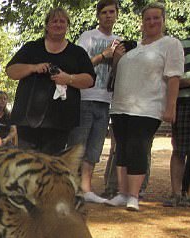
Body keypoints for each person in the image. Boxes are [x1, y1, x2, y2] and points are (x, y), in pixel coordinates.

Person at [106, 2, 184, 211]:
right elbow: (117, 73)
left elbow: (174, 77)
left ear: (163, 20)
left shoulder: (170, 44)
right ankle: (122, 193)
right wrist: (117, 59)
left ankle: (133, 195)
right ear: (142, 22)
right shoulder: (134, 48)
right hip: (121, 106)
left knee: (137, 148)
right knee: (120, 150)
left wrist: (171, 107)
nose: (151, 22)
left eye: (156, 18)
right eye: (147, 18)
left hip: (147, 107)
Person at [6, 7, 95, 154]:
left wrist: (68, 78)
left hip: (60, 121)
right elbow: (11, 71)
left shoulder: (77, 52)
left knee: (51, 165)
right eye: (54, 21)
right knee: (27, 165)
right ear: (47, 25)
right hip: (27, 120)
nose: (58, 24)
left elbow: (90, 80)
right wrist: (33, 67)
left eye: (62, 21)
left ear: (67, 25)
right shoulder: (31, 47)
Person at [67, 0, 120, 204]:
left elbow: (117, 73)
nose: (108, 15)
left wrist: (116, 59)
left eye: (112, 12)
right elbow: (77, 65)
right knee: (77, 146)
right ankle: (69, 186)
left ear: (116, 15)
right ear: (98, 15)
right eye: (104, 12)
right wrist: (102, 55)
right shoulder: (88, 36)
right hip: (84, 97)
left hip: (105, 100)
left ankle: (86, 189)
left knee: (94, 149)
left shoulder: (118, 41)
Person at [166, 34, 190, 207]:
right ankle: (176, 194)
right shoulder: (182, 45)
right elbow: (171, 77)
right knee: (179, 149)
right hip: (185, 102)